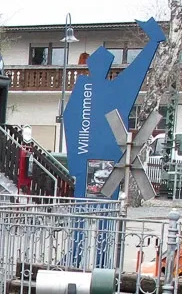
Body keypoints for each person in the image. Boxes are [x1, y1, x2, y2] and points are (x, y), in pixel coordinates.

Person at [63, 18, 166, 197]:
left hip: (96, 159)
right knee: (95, 203)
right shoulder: (96, 88)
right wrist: (153, 43)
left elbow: (70, 118)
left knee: (95, 203)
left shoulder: (93, 88)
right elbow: (70, 118)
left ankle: (91, 215)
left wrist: (153, 43)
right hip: (95, 158)